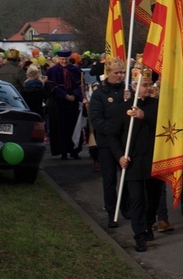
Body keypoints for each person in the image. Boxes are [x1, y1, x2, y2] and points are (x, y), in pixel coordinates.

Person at [108, 69, 158, 252]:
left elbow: (165, 125)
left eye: (149, 85)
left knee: (153, 198)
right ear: (134, 86)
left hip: (153, 159)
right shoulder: (122, 108)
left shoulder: (156, 105)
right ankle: (139, 235)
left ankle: (149, 223)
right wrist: (120, 155)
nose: (148, 89)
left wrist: (145, 116)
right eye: (144, 85)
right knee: (137, 199)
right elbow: (112, 136)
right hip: (133, 160)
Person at [89, 57, 130, 228]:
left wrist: (129, 100)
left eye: (122, 72)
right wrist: (112, 129)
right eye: (117, 73)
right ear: (108, 73)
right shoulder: (99, 94)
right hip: (107, 142)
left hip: (124, 142)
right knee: (109, 179)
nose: (120, 76)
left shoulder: (127, 90)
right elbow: (97, 119)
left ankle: (127, 208)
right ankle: (111, 212)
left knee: (126, 177)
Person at [45, 50, 83, 160]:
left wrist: (75, 95)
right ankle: (63, 151)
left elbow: (79, 85)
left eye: (66, 59)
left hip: (73, 103)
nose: (64, 61)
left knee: (74, 127)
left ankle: (74, 150)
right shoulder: (52, 71)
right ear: (58, 59)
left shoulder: (75, 69)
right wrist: (65, 96)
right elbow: (52, 87)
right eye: (62, 59)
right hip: (59, 103)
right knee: (60, 128)